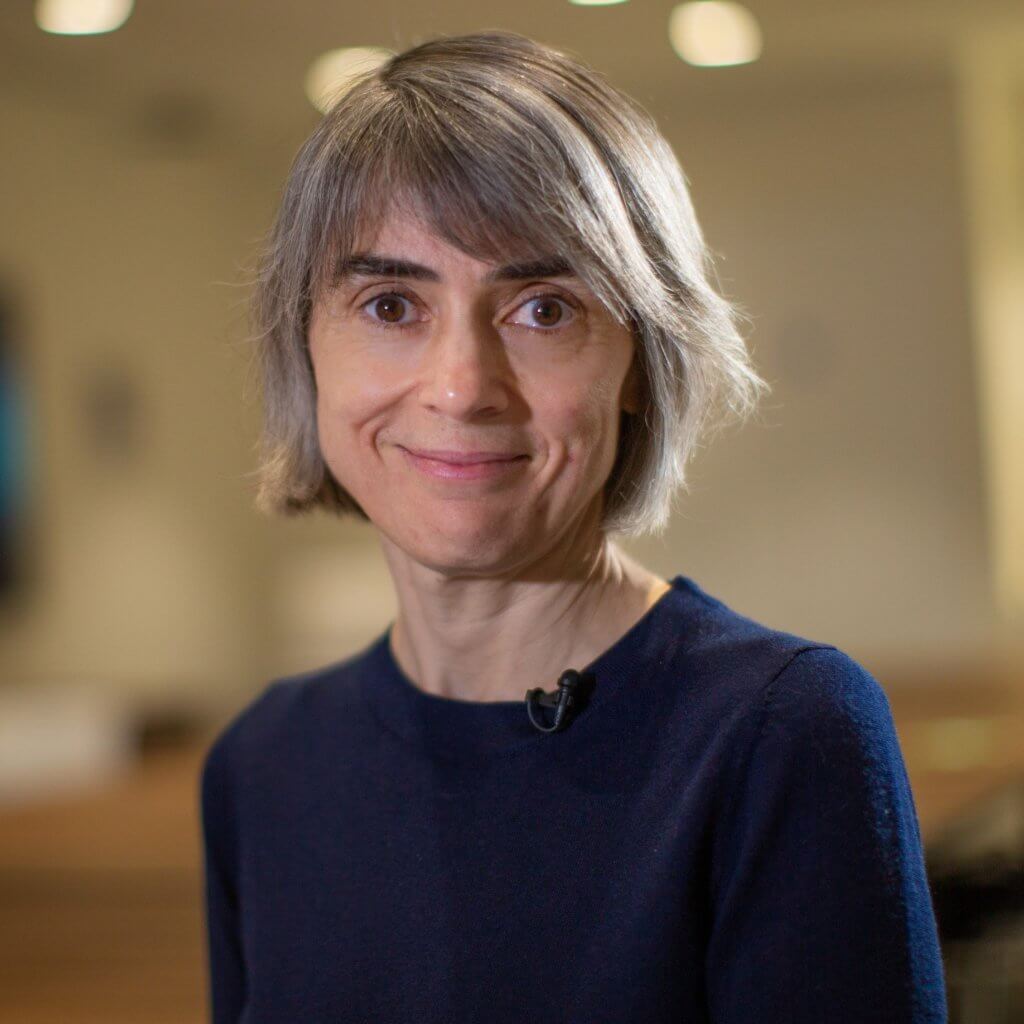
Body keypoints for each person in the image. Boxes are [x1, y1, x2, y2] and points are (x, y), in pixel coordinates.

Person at [199, 30, 948, 1023]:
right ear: (308, 346)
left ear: (640, 361)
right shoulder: (262, 767)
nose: (461, 387)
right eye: (390, 303)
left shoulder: (780, 731)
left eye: (544, 309)